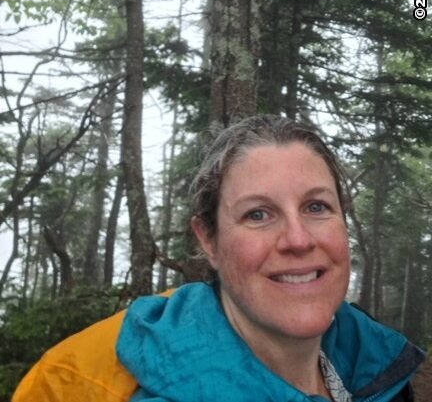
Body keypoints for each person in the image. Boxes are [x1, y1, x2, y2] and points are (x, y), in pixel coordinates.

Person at [13, 115, 424, 402]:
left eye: (316, 207)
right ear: (208, 240)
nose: (298, 240)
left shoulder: (376, 364)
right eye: (258, 214)